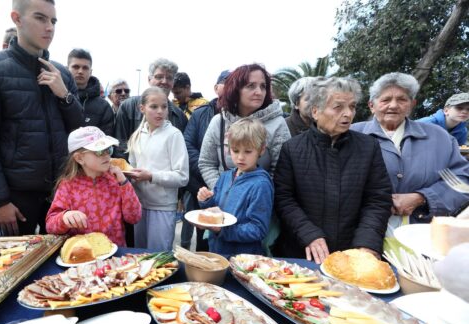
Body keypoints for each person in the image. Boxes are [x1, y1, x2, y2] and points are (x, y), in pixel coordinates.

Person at [0, 0, 85, 236]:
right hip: (15, 197)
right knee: (13, 267)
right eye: (40, 18)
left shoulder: (60, 73)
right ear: (16, 18)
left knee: (66, 265)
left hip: (62, 192)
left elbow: (80, 132)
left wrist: (65, 95)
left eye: (53, 21)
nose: (49, 27)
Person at [274, 77, 392, 264]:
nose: (348, 114)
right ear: (315, 111)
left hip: (353, 254)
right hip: (302, 253)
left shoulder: (368, 147)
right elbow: (284, 199)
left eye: (352, 107)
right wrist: (308, 233)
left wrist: (367, 243)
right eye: (338, 107)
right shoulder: (293, 149)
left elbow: (378, 199)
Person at [351, 73, 469, 233]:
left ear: (412, 104)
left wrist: (422, 197)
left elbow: (461, 181)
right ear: (371, 105)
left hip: (421, 234)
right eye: (385, 100)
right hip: (360, 232)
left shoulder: (440, 138)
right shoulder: (351, 135)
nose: (393, 105)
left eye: (402, 99)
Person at [198, 63, 290, 190]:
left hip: (259, 202)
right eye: (251, 86)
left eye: (263, 86)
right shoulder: (219, 122)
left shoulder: (277, 123)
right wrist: (222, 191)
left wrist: (255, 194)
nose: (259, 92)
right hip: (223, 203)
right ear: (235, 89)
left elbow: (282, 171)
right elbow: (206, 163)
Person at [45, 126, 141, 246]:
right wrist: (65, 217)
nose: (106, 155)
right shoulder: (67, 186)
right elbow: (50, 225)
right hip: (83, 255)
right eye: (99, 151)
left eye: (108, 149)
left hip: (116, 252)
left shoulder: (116, 180)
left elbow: (134, 217)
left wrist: (124, 183)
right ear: (79, 158)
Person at [197, 118, 273, 255]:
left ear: (261, 150)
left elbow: (258, 229)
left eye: (248, 151)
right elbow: (216, 210)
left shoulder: (261, 185)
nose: (240, 158)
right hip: (216, 251)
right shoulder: (225, 177)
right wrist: (206, 200)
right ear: (228, 149)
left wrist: (222, 230)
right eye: (235, 150)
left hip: (243, 259)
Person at [126, 87, 188, 251]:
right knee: (140, 256)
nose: (160, 111)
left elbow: (182, 176)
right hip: (139, 206)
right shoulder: (137, 134)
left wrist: (151, 176)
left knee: (158, 259)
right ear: (142, 108)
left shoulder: (174, 135)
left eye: (164, 106)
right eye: (154, 106)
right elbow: (131, 167)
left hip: (162, 207)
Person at [180, 69, 229, 251]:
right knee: (203, 233)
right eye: (226, 81)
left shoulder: (239, 114)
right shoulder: (201, 114)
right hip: (200, 184)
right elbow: (188, 144)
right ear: (216, 88)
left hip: (229, 186)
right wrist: (207, 171)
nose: (231, 85)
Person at [114, 58, 188, 160]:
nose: (164, 81)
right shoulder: (128, 107)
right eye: (159, 77)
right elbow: (119, 143)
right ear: (149, 79)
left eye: (169, 78)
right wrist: (131, 172)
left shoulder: (180, 116)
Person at [67, 48, 114, 136]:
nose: (80, 71)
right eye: (76, 67)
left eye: (85, 68)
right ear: (67, 68)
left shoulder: (103, 107)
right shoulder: (55, 97)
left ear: (90, 72)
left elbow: (106, 141)